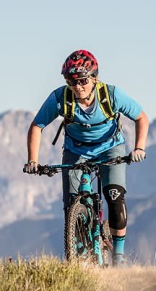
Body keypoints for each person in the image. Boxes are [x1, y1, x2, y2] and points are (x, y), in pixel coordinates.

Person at [23, 49, 148, 264]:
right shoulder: (60, 98)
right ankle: (80, 256)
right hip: (76, 151)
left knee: (115, 197)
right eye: (71, 81)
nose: (77, 86)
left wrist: (139, 148)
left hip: (110, 148)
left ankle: (118, 257)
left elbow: (141, 118)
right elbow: (37, 126)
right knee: (71, 204)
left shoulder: (111, 95)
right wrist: (33, 160)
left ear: (94, 78)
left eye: (82, 80)